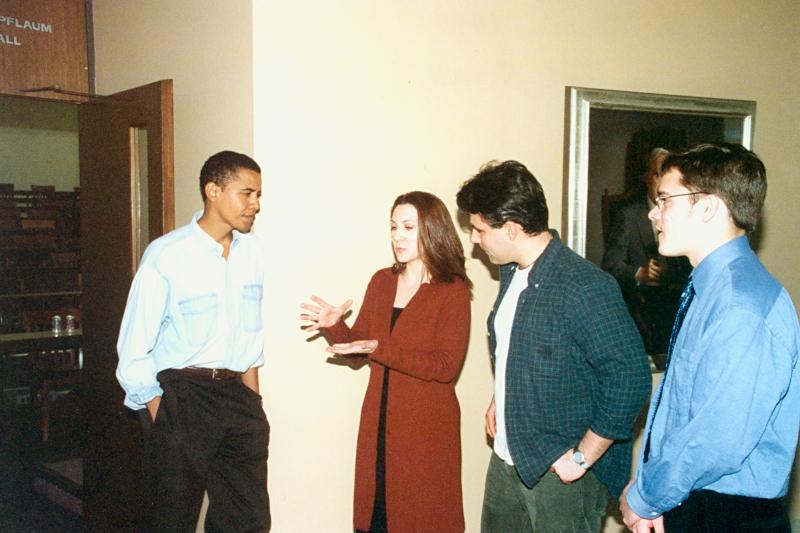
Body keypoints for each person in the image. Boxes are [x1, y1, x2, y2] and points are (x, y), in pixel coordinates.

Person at [456, 160, 651, 532]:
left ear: (512, 229)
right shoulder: (511, 272)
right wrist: (502, 396)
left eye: (479, 229)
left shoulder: (584, 285)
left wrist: (583, 457)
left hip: (560, 474)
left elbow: (631, 378)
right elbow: (524, 344)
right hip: (507, 460)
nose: (474, 240)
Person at [620, 143, 800, 533]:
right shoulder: (711, 288)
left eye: (664, 199)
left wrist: (646, 497)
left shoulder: (742, 305)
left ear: (707, 208)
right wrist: (651, 486)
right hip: (696, 502)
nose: (654, 212)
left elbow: (715, 441)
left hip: (729, 515)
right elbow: (681, 411)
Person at [116, 150, 270, 532]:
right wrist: (160, 411)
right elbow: (133, 348)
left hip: (238, 399)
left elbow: (250, 338)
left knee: (247, 521)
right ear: (213, 191)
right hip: (184, 399)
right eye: (247, 193)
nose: (256, 205)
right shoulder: (166, 255)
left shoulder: (252, 253)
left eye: (258, 195)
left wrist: (254, 405)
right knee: (171, 518)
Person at [300, 191, 471, 533]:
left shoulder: (452, 290)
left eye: (408, 226)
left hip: (425, 431)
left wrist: (380, 347)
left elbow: (444, 366)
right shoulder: (382, 281)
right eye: (393, 227)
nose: (397, 236)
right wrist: (335, 326)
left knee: (421, 517)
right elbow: (358, 351)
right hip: (379, 423)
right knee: (378, 516)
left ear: (433, 229)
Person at [602, 148, 690, 354]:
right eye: (660, 173)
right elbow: (610, 266)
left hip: (675, 301)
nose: (663, 182)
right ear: (648, 177)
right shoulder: (628, 216)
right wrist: (639, 273)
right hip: (639, 306)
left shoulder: (683, 214)